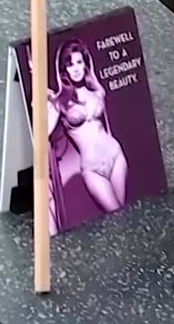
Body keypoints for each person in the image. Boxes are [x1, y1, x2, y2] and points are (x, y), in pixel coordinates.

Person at [48, 39, 128, 214]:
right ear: (64, 70)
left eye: (79, 62)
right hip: (93, 169)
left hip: (115, 155)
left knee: (124, 216)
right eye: (70, 65)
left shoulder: (98, 92)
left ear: (85, 64)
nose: (76, 69)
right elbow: (42, 133)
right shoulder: (60, 102)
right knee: (115, 216)